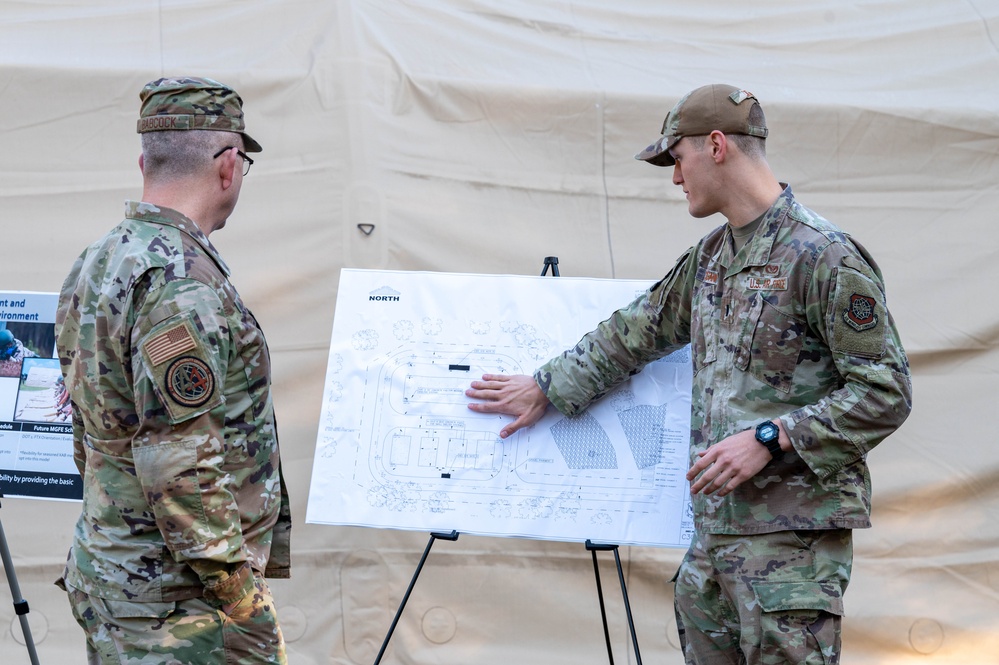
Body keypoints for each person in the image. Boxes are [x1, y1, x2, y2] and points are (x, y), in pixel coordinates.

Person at [466, 83, 912, 664]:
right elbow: (638, 330)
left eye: (677, 159)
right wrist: (547, 387)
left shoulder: (824, 257)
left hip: (790, 550)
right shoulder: (712, 259)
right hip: (712, 543)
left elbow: (886, 391)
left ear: (717, 146)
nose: (675, 178)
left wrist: (770, 439)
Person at [55, 77, 292, 664]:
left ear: (145, 162)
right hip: (175, 605)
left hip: (117, 568)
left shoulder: (99, 258)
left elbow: (87, 427)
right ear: (230, 165)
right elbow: (177, 461)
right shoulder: (182, 283)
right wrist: (242, 601)